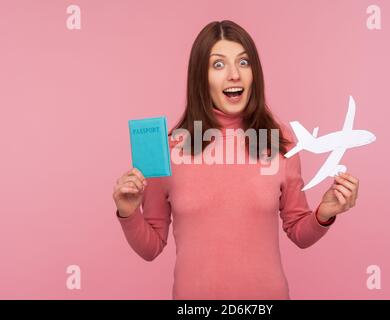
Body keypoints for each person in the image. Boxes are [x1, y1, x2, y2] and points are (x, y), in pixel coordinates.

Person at [112, 20, 359, 300]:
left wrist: (324, 213)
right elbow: (151, 247)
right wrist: (128, 213)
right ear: (200, 77)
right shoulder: (168, 149)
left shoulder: (280, 142)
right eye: (218, 65)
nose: (234, 75)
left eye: (243, 63)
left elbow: (299, 232)